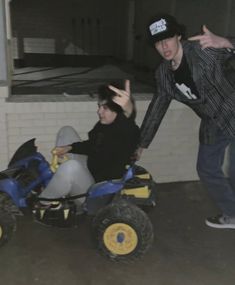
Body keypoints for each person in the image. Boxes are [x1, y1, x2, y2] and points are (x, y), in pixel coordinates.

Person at [134, 14, 235, 229]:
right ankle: (232, 213)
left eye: (167, 39)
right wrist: (141, 143)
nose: (164, 46)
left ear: (178, 36)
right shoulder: (163, 73)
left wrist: (227, 42)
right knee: (207, 168)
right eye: (157, 43)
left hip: (233, 110)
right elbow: (157, 108)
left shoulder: (202, 50)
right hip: (212, 122)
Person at [38, 80, 139, 208]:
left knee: (71, 167)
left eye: (105, 108)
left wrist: (129, 109)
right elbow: (92, 145)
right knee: (66, 131)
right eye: (99, 106)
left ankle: (44, 202)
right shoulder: (103, 125)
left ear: (118, 111)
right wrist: (70, 148)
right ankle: (61, 185)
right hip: (90, 170)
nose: (99, 112)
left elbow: (129, 126)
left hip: (96, 191)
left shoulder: (126, 131)